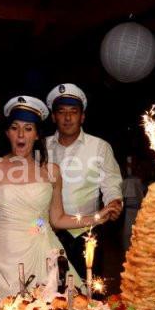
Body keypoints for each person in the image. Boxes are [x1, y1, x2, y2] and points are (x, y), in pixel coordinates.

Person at [0, 96, 112, 302]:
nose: (21, 134)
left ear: (37, 135)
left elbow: (56, 219)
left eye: (28, 128)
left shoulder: (51, 172)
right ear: (7, 133)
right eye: (15, 128)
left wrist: (97, 217)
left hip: (40, 254)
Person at [44, 84, 123, 278]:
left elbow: (111, 183)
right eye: (61, 112)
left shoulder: (100, 147)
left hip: (86, 233)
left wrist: (114, 202)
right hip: (47, 233)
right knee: (47, 297)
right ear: (54, 117)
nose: (68, 117)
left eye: (74, 111)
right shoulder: (41, 146)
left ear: (82, 116)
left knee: (89, 296)